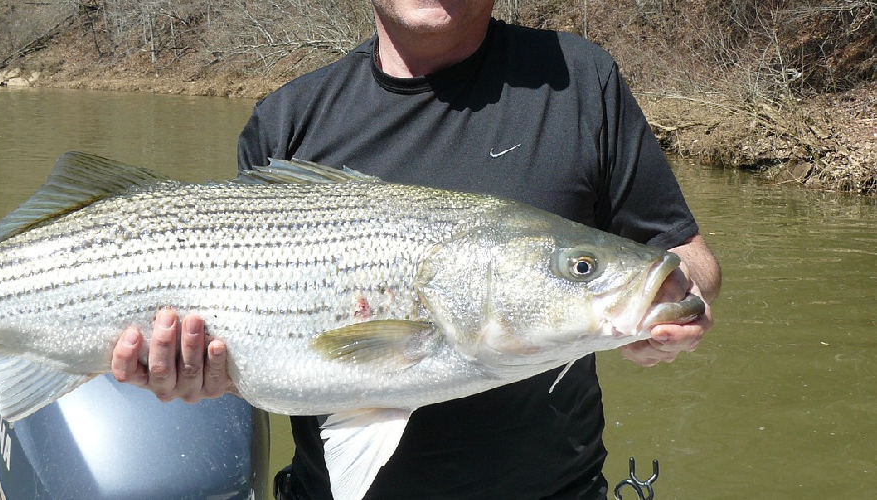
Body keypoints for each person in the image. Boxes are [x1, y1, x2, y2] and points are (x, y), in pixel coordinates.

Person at [111, 1, 721, 498]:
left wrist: (677, 301)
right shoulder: (287, 120)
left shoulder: (578, 78)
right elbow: (249, 345)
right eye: (580, 268)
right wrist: (194, 375)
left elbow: (683, 259)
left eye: (579, 267)